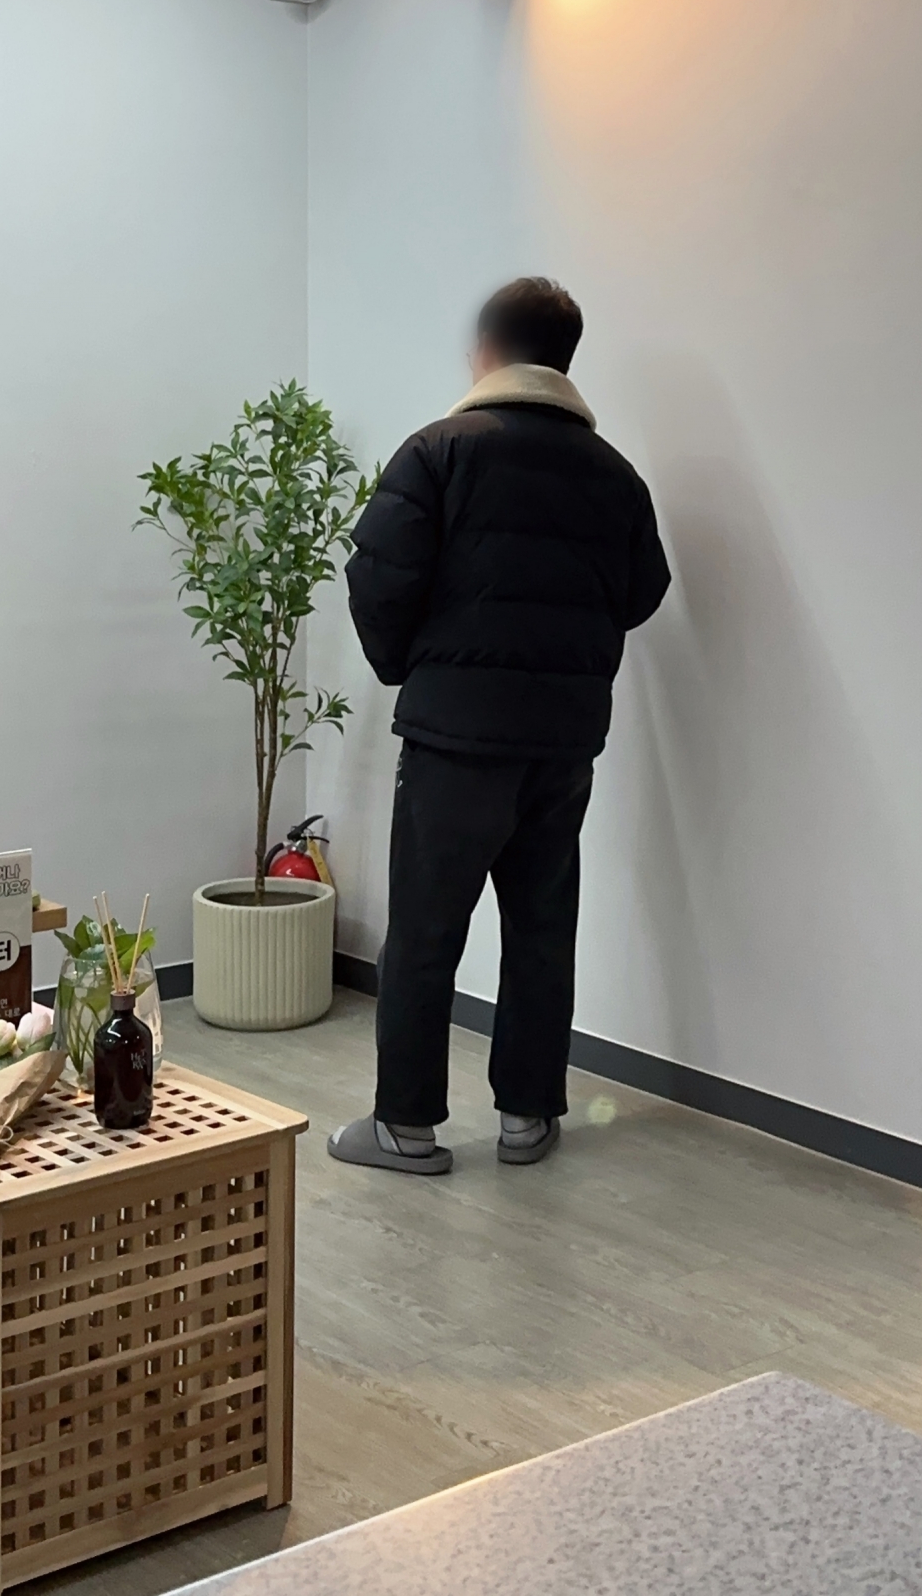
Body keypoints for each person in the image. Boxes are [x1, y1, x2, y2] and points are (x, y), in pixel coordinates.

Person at [328, 277, 670, 1177]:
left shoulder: (437, 451)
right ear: (563, 358)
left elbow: (377, 578)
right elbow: (643, 590)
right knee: (543, 926)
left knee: (425, 931)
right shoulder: (615, 476)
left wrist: (412, 667)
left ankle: (405, 1128)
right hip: (563, 743)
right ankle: (527, 1115)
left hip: (453, 740)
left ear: (485, 352)